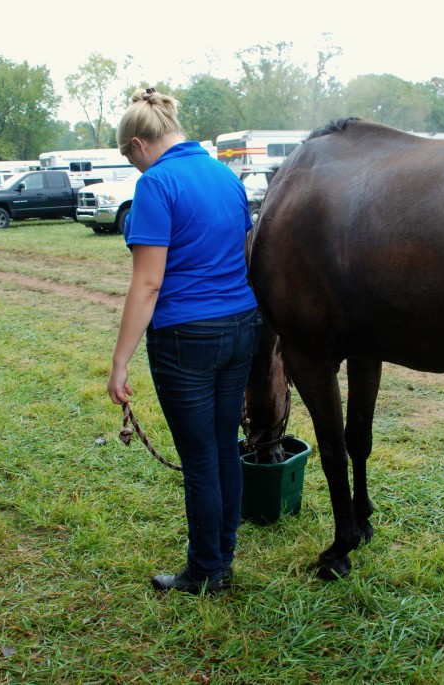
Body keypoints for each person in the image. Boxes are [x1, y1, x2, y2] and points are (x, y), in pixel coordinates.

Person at [107, 88, 260, 596]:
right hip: (241, 327)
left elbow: (148, 283)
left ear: (139, 144)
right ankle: (223, 559)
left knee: (201, 460)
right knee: (223, 450)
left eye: (132, 161)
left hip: (185, 339)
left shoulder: (157, 184)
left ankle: (203, 572)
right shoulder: (225, 175)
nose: (136, 170)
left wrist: (120, 361)